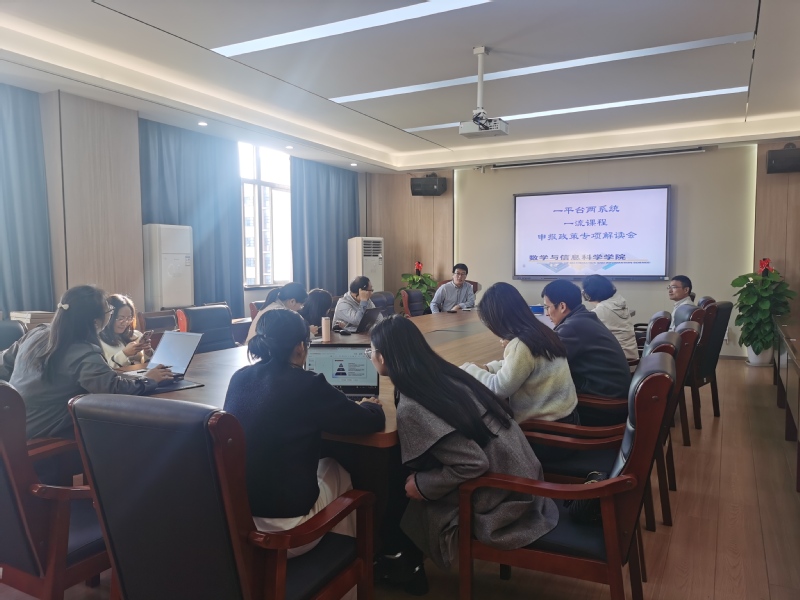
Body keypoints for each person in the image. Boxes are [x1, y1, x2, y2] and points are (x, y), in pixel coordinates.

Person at [368, 315, 558, 581]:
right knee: (404, 473)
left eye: (370, 352)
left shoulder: (414, 404)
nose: (370, 357)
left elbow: (472, 463)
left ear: (382, 357)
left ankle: (400, 561)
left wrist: (423, 485)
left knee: (400, 480)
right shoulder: (446, 374)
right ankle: (403, 559)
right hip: (522, 477)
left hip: (505, 501)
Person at [224, 309, 385, 558]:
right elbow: (368, 422)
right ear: (300, 346)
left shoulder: (239, 378)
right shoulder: (308, 384)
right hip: (288, 534)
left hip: (239, 527)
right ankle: (346, 562)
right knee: (337, 469)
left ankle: (336, 560)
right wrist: (370, 406)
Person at [4, 285, 174, 440]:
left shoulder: (36, 333)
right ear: (95, 321)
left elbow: (5, 364)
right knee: (121, 426)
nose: (110, 314)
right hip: (40, 431)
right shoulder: (83, 352)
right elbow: (113, 389)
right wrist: (148, 379)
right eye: (109, 311)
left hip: (10, 423)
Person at [461, 282, 578, 427]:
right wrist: (488, 368)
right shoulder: (543, 331)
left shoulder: (521, 345)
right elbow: (521, 366)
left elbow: (498, 389)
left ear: (498, 320)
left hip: (545, 429)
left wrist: (469, 369)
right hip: (568, 418)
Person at [541, 280, 631, 425]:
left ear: (562, 306)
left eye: (547, 307)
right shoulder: (583, 318)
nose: (546, 313)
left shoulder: (572, 327)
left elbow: (544, 363)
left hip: (603, 409)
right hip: (613, 400)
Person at [581, 275, 638, 361]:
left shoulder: (601, 311)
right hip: (631, 357)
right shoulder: (619, 301)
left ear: (587, 294)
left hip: (618, 361)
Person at [98, 294, 152, 368]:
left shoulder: (136, 335)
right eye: (120, 318)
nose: (125, 323)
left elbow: (147, 364)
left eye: (129, 318)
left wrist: (148, 353)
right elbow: (103, 369)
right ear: (109, 317)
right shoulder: (98, 341)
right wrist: (124, 354)